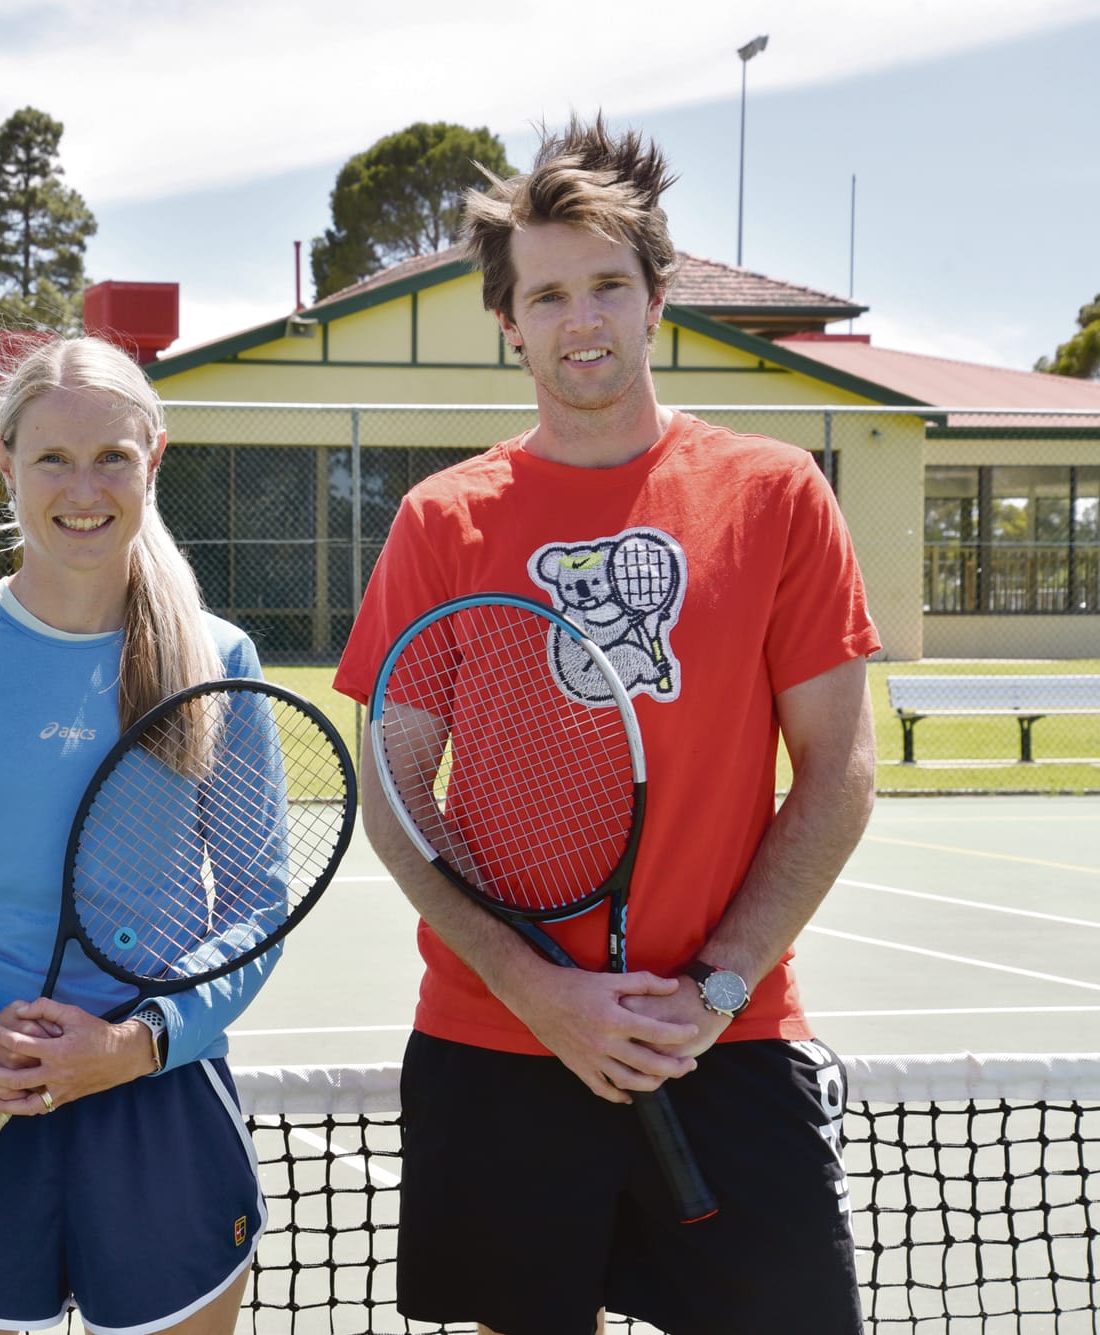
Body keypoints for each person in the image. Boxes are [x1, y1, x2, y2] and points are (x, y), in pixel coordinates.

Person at [333, 118, 880, 1335]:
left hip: (724, 1040)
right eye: (546, 294)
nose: (579, 319)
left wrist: (714, 992)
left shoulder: (775, 492)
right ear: (508, 323)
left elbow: (837, 774)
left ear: (655, 299)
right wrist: (533, 989)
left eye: (605, 287)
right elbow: (395, 789)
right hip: (498, 1038)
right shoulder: (441, 519)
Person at [0, 336, 271, 1335]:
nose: (84, 486)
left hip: (159, 1104)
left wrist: (134, 1044)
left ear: (152, 461)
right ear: (4, 460)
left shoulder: (220, 659)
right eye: (52, 459)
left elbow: (255, 902)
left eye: (112, 456)